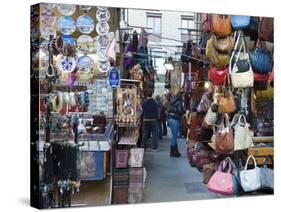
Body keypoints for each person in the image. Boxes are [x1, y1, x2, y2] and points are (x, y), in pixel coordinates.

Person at [167, 90, 186, 157]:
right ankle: (172, 152)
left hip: (170, 119)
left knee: (173, 136)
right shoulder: (179, 101)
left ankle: (176, 152)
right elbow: (180, 110)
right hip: (175, 119)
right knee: (174, 137)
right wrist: (184, 111)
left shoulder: (172, 100)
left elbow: (168, 109)